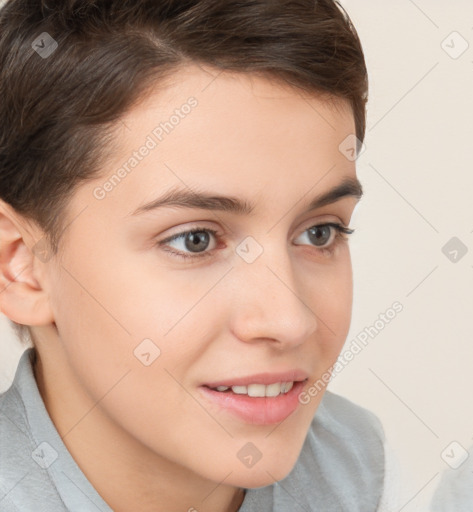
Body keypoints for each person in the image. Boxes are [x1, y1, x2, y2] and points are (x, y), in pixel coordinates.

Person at [0, 1, 400, 510]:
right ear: (22, 267)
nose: (289, 320)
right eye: (196, 240)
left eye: (319, 233)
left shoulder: (364, 470)